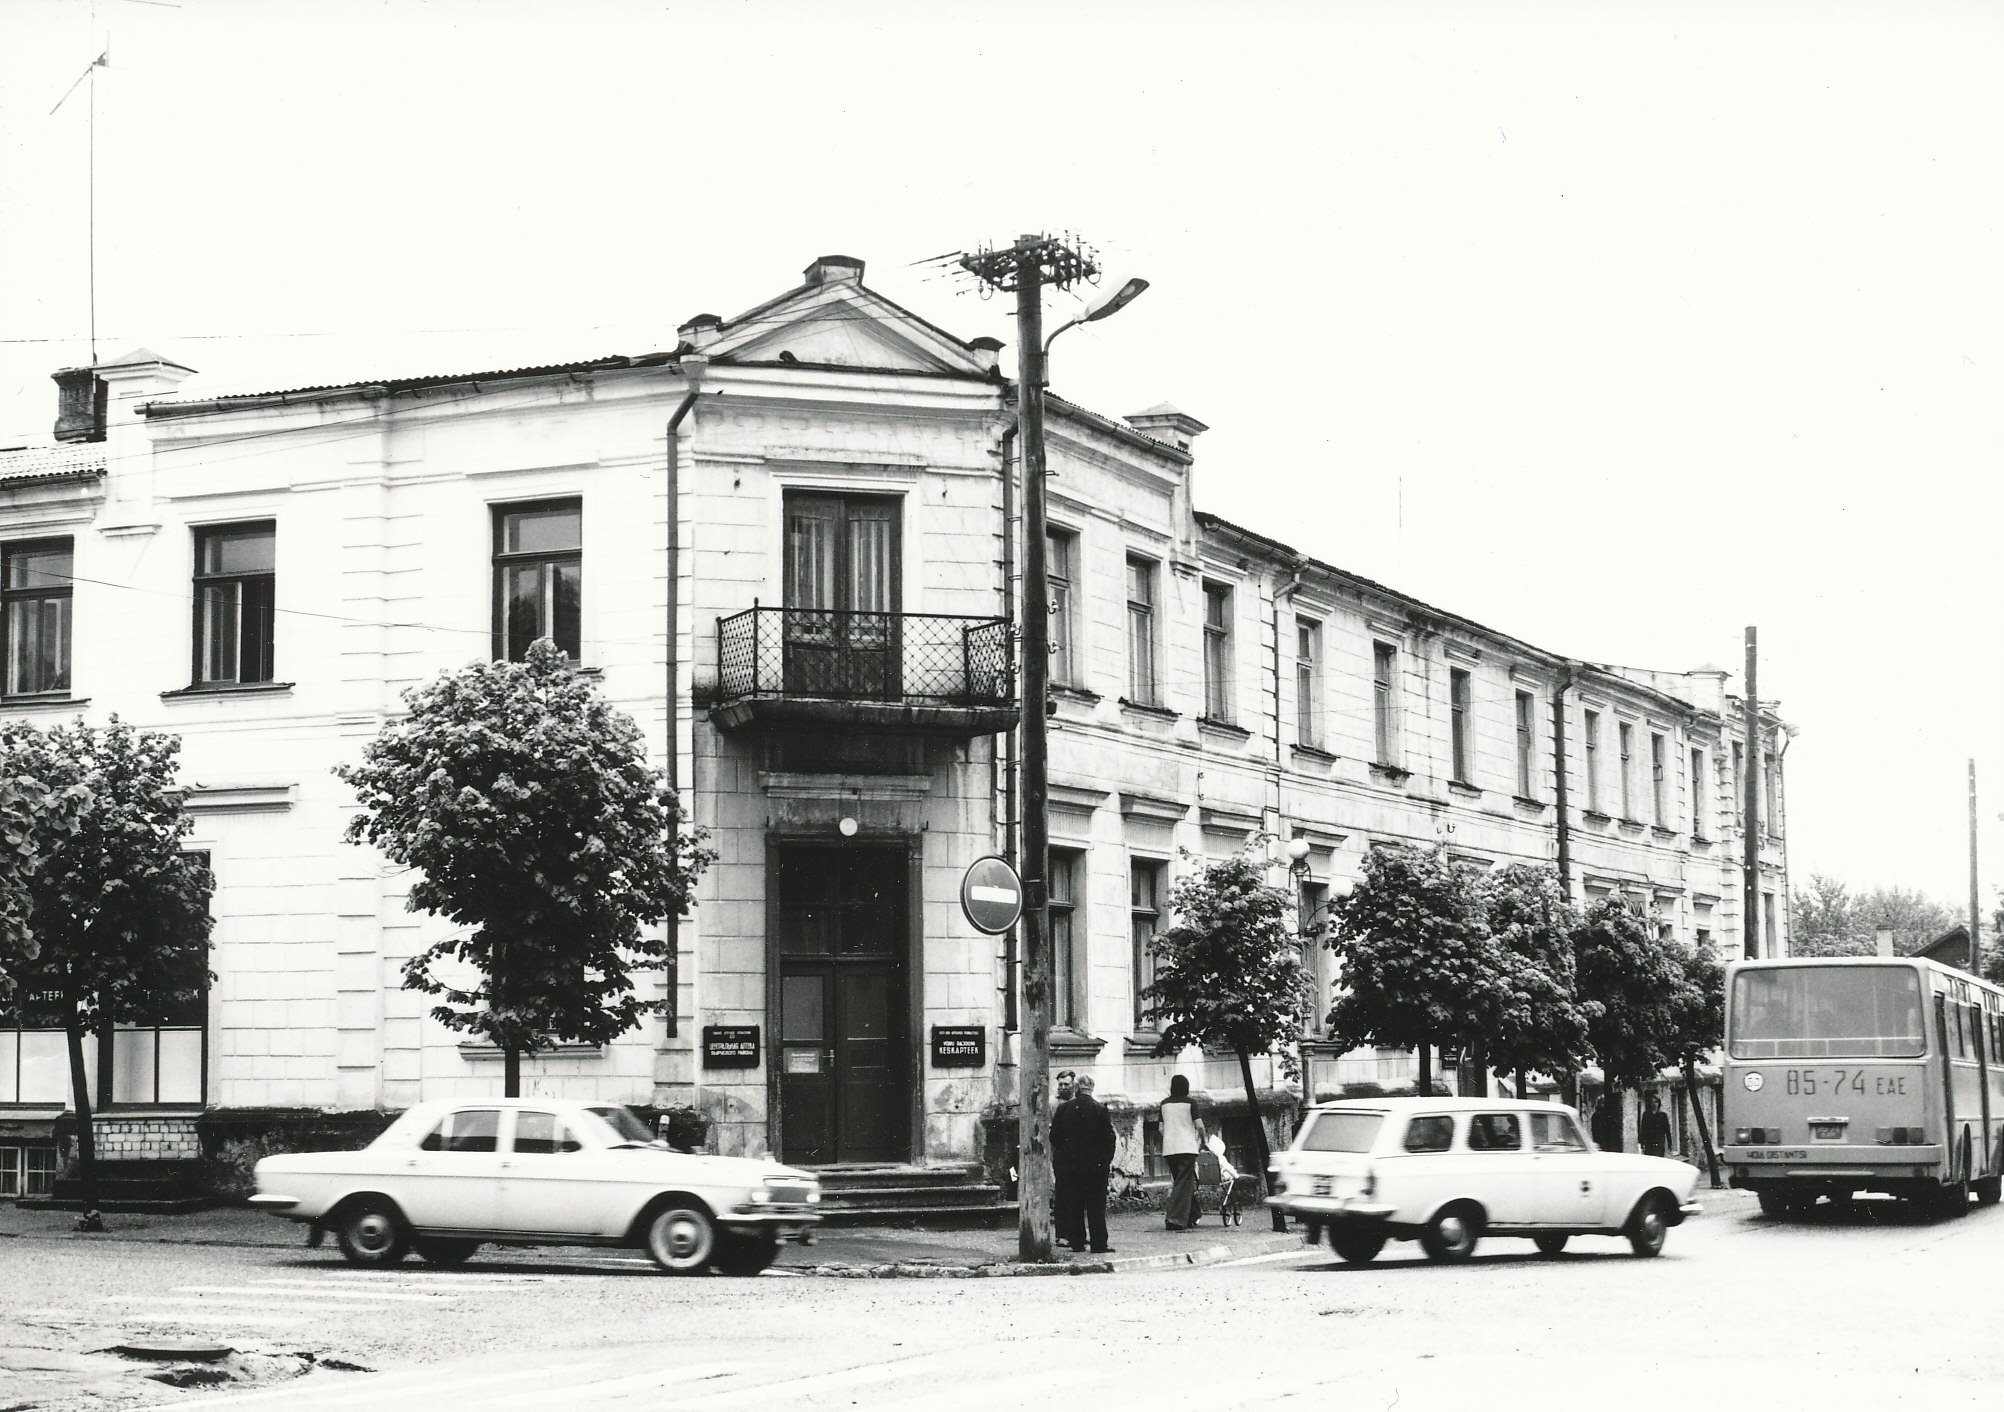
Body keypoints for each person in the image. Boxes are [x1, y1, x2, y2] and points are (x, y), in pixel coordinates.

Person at [1050, 1073, 1116, 1253]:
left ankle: (1077, 1242)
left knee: (1074, 1205)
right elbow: (1110, 1139)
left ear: (1077, 1088)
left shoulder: (1064, 1109)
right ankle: (1098, 1243)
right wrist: (1104, 1161)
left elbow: (1054, 1137)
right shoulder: (1100, 1109)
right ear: (1092, 1089)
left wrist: (1066, 1153)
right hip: (1095, 1168)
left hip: (1071, 1167)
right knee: (1096, 1207)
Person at [1161, 1074, 1207, 1231]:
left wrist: (1170, 1137)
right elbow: (1200, 1126)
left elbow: (1161, 1128)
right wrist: (1204, 1141)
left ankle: (1194, 1214)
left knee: (1181, 1182)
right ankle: (1175, 1219)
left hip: (1169, 1148)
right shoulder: (1190, 1103)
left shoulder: (1164, 1104)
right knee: (1183, 1183)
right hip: (1187, 1147)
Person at [1049, 1071, 1077, 1241]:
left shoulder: (1077, 1102)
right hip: (1059, 1153)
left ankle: (1075, 1232)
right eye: (1060, 1084)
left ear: (1073, 1085)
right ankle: (1061, 1234)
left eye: (1066, 1084)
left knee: (1077, 1196)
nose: (1063, 1087)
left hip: (1077, 1155)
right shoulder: (1053, 1104)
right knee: (1062, 1196)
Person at [1639, 1093, 1674, 1159]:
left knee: (1658, 1160)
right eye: (1652, 1102)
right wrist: (1642, 1142)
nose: (1654, 1104)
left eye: (1656, 1102)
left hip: (1659, 1142)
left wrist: (1670, 1143)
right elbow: (1643, 1129)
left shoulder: (1663, 1115)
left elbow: (1667, 1130)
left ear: (1659, 1103)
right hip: (1649, 1142)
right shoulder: (1646, 1114)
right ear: (1649, 1103)